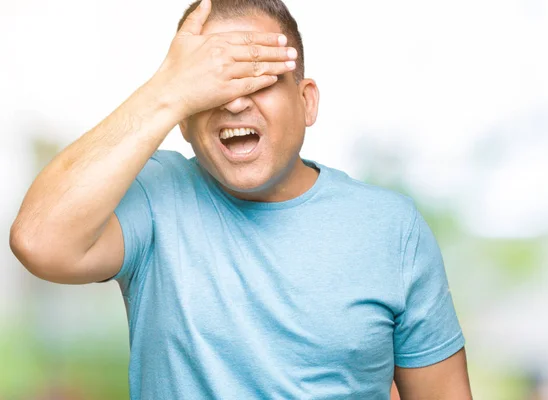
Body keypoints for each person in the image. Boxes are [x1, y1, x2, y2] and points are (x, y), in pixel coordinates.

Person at [9, 0, 472, 398]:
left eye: (258, 79)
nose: (234, 103)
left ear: (307, 102)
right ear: (184, 121)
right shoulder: (155, 198)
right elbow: (39, 240)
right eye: (212, 85)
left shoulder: (391, 229)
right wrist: (166, 90)